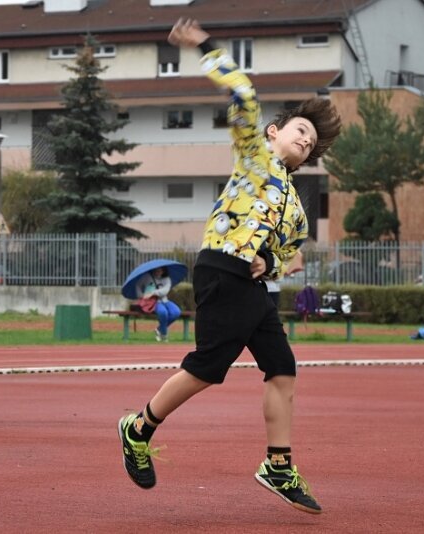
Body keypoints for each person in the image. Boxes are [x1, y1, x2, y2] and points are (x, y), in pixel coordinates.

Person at [117, 18, 342, 515]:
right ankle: (137, 430)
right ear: (274, 132)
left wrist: (272, 259)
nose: (305, 142)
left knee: (282, 367)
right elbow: (242, 91)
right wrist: (206, 45)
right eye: (300, 132)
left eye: (312, 143)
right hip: (220, 269)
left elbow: (293, 249)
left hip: (253, 286)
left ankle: (278, 465)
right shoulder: (254, 155)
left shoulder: (296, 207)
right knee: (207, 368)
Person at [135, 266, 181, 342]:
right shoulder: (146, 277)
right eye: (156, 270)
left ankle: (159, 329)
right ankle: (164, 335)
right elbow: (138, 285)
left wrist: (153, 293)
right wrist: (141, 295)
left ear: (163, 271)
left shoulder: (167, 279)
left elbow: (165, 290)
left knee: (176, 312)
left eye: (160, 271)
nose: (158, 272)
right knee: (163, 312)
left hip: (165, 300)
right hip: (154, 302)